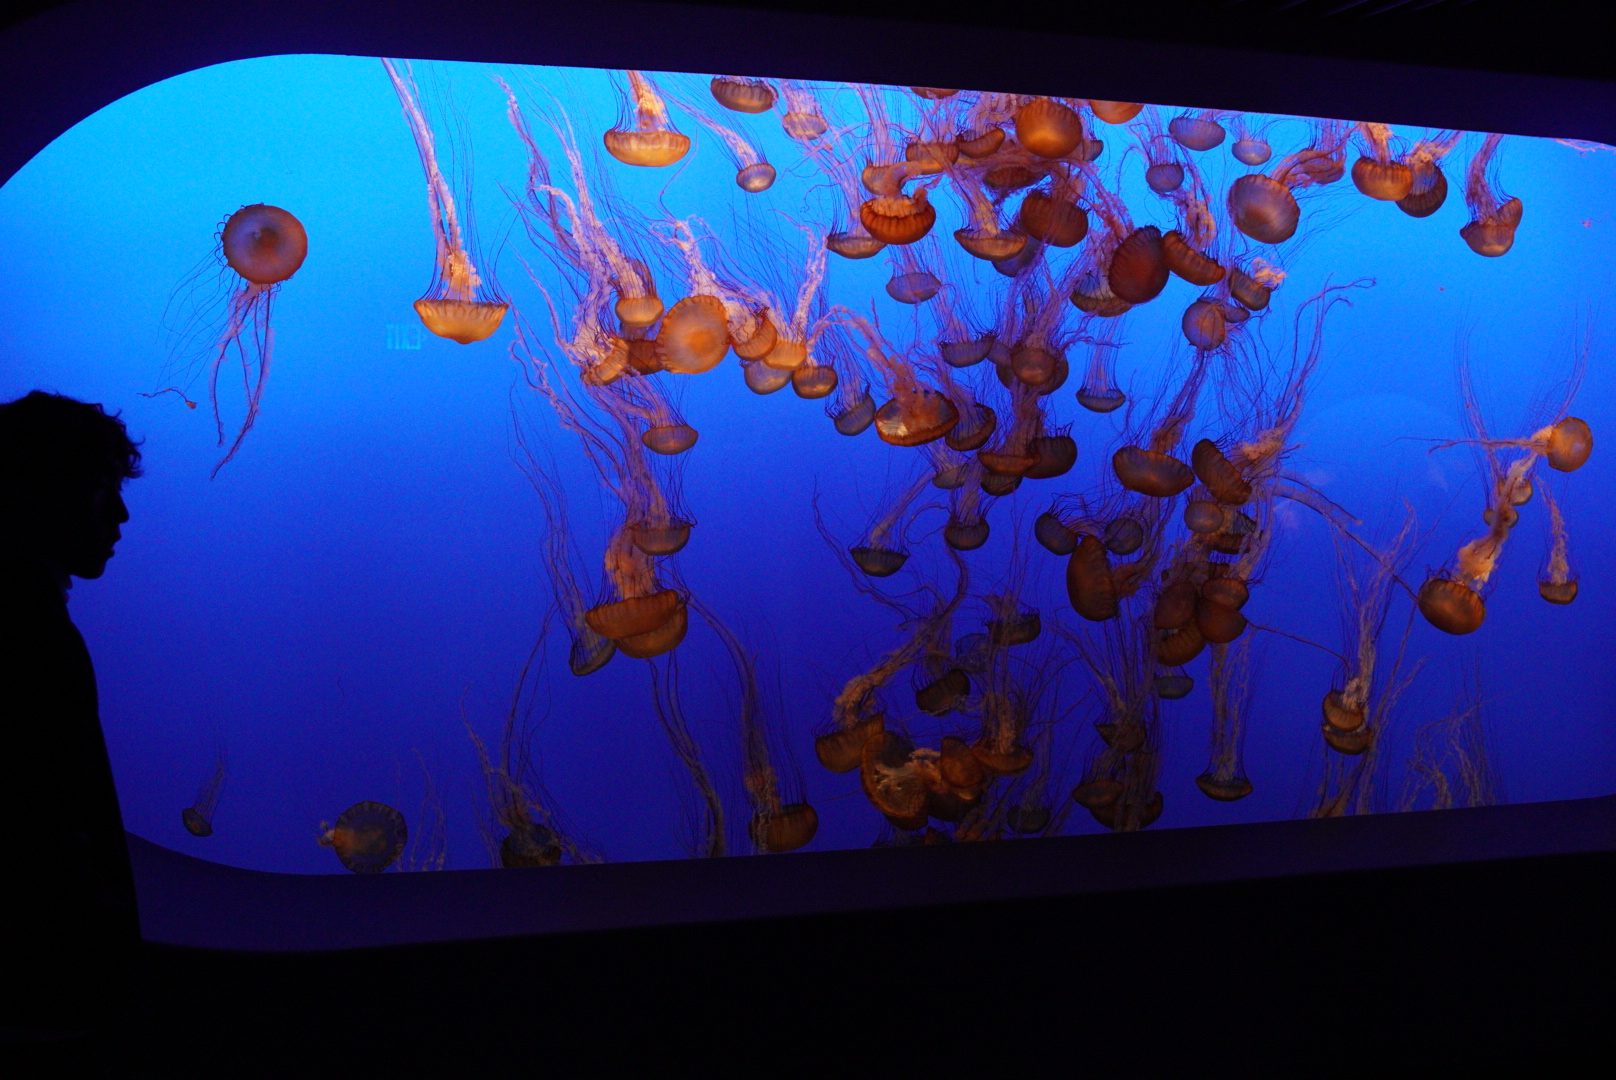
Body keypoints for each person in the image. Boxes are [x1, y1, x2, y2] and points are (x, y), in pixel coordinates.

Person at [0, 391, 142, 1066]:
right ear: (38, 491)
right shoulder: (27, 635)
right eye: (99, 489)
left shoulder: (33, 620)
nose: (119, 514)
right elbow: (42, 830)